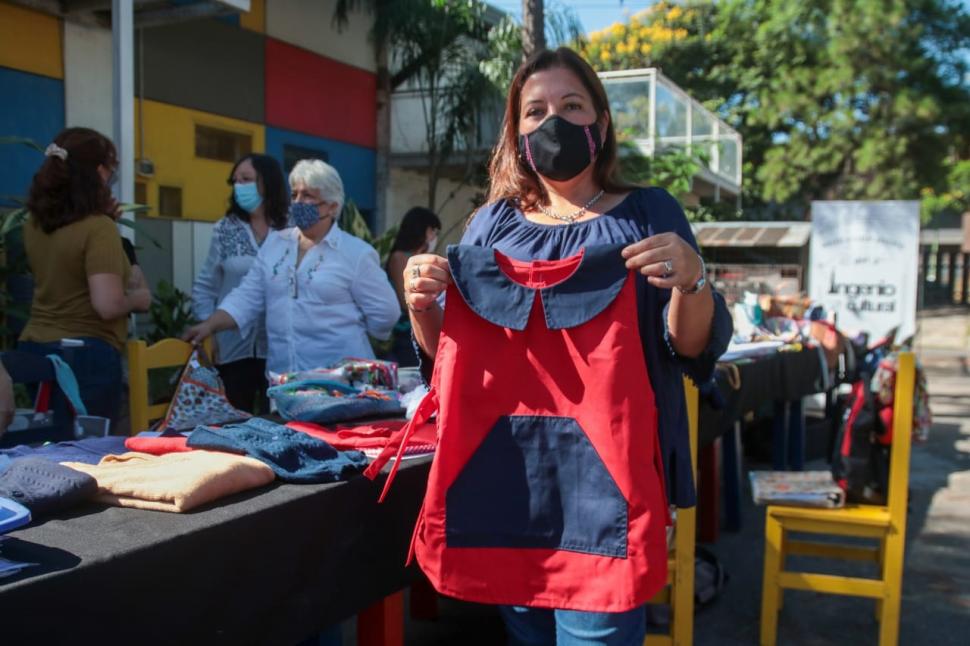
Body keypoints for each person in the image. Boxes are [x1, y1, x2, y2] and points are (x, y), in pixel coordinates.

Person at [399, 48, 732, 645]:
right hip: (503, 481)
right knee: (526, 635)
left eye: (571, 105)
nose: (553, 121)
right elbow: (448, 360)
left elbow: (691, 348)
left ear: (600, 124)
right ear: (517, 133)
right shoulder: (490, 226)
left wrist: (693, 278)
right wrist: (422, 306)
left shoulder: (649, 215)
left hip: (605, 486)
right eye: (535, 111)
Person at [183, 159, 400, 376]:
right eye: (294, 194)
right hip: (285, 381)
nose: (298, 202)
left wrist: (352, 329)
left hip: (341, 381)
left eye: (308, 196)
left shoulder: (355, 253)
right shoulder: (274, 245)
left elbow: (385, 313)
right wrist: (209, 325)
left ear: (332, 207)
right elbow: (246, 297)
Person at [18, 127, 151, 425]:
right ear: (97, 173)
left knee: (49, 451)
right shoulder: (97, 227)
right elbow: (107, 304)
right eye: (111, 172)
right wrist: (139, 299)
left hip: (35, 348)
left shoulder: (33, 224)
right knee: (88, 454)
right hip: (85, 355)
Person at [192, 154, 289, 413]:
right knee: (235, 418)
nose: (239, 186)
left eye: (246, 179)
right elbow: (205, 286)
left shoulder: (291, 229)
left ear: (267, 182)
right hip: (232, 346)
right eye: (235, 181)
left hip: (281, 347)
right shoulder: (225, 229)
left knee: (282, 419)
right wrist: (209, 331)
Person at [385, 207, 441, 366]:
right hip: (405, 335)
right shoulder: (399, 258)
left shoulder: (424, 258)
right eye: (434, 231)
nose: (435, 237)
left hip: (424, 328)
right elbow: (406, 301)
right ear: (425, 230)